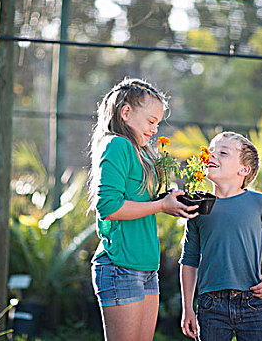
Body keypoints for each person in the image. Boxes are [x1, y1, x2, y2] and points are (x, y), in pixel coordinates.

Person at [87, 77, 198, 341]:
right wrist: (161, 205)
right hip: (120, 265)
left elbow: (142, 199)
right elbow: (109, 207)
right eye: (150, 121)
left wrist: (168, 197)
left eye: (157, 123)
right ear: (126, 113)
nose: (154, 129)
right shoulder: (116, 145)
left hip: (146, 267)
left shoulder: (141, 152)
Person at [179, 132, 262, 341]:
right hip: (210, 306)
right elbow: (189, 260)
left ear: (244, 170)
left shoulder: (259, 203)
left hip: (251, 302)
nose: (211, 155)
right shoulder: (196, 206)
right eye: (211, 150)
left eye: (222, 153)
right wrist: (187, 307)